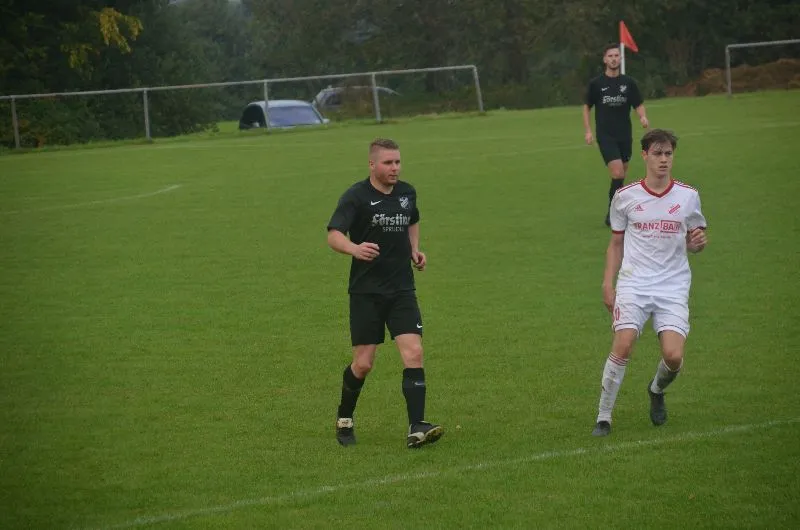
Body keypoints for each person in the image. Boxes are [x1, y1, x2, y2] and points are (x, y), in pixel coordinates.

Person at [326, 138, 444, 449]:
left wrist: (415, 249)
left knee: (414, 352)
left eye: (398, 162)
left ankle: (417, 426)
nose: (395, 168)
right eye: (388, 163)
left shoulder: (407, 193)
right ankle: (344, 418)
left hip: (402, 289)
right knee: (363, 364)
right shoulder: (356, 196)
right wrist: (354, 248)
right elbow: (334, 234)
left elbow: (412, 220)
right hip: (366, 293)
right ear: (372, 164)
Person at [591, 129, 708, 437]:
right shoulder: (625, 197)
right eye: (657, 153)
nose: (663, 159)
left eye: (668, 153)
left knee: (673, 357)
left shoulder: (688, 196)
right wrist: (607, 284)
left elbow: (694, 242)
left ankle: (656, 390)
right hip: (635, 283)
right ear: (644, 155)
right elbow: (616, 244)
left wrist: (696, 244)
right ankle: (603, 417)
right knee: (623, 344)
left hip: (673, 286)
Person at [583, 43, 650, 226]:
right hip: (606, 135)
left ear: (620, 59)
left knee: (621, 176)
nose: (613, 59)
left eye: (616, 56)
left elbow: (638, 104)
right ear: (605, 60)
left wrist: (643, 117)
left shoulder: (628, 83)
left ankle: (615, 211)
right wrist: (588, 130)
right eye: (610, 56)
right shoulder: (596, 84)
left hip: (625, 135)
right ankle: (612, 214)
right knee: (618, 173)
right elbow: (587, 107)